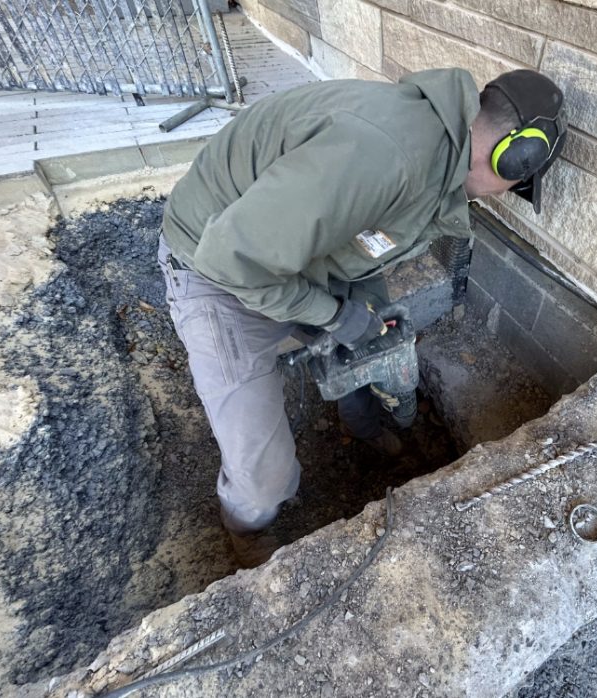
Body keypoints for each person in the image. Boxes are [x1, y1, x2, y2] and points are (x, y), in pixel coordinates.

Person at [157, 67, 566, 565]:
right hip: (218, 275)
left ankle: (363, 425)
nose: (505, 195)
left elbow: (362, 243)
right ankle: (246, 530)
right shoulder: (386, 157)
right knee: (266, 480)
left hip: (285, 260)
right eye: (517, 182)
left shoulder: (438, 152)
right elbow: (233, 261)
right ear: (513, 154)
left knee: (359, 330)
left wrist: (364, 312)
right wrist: (334, 315)